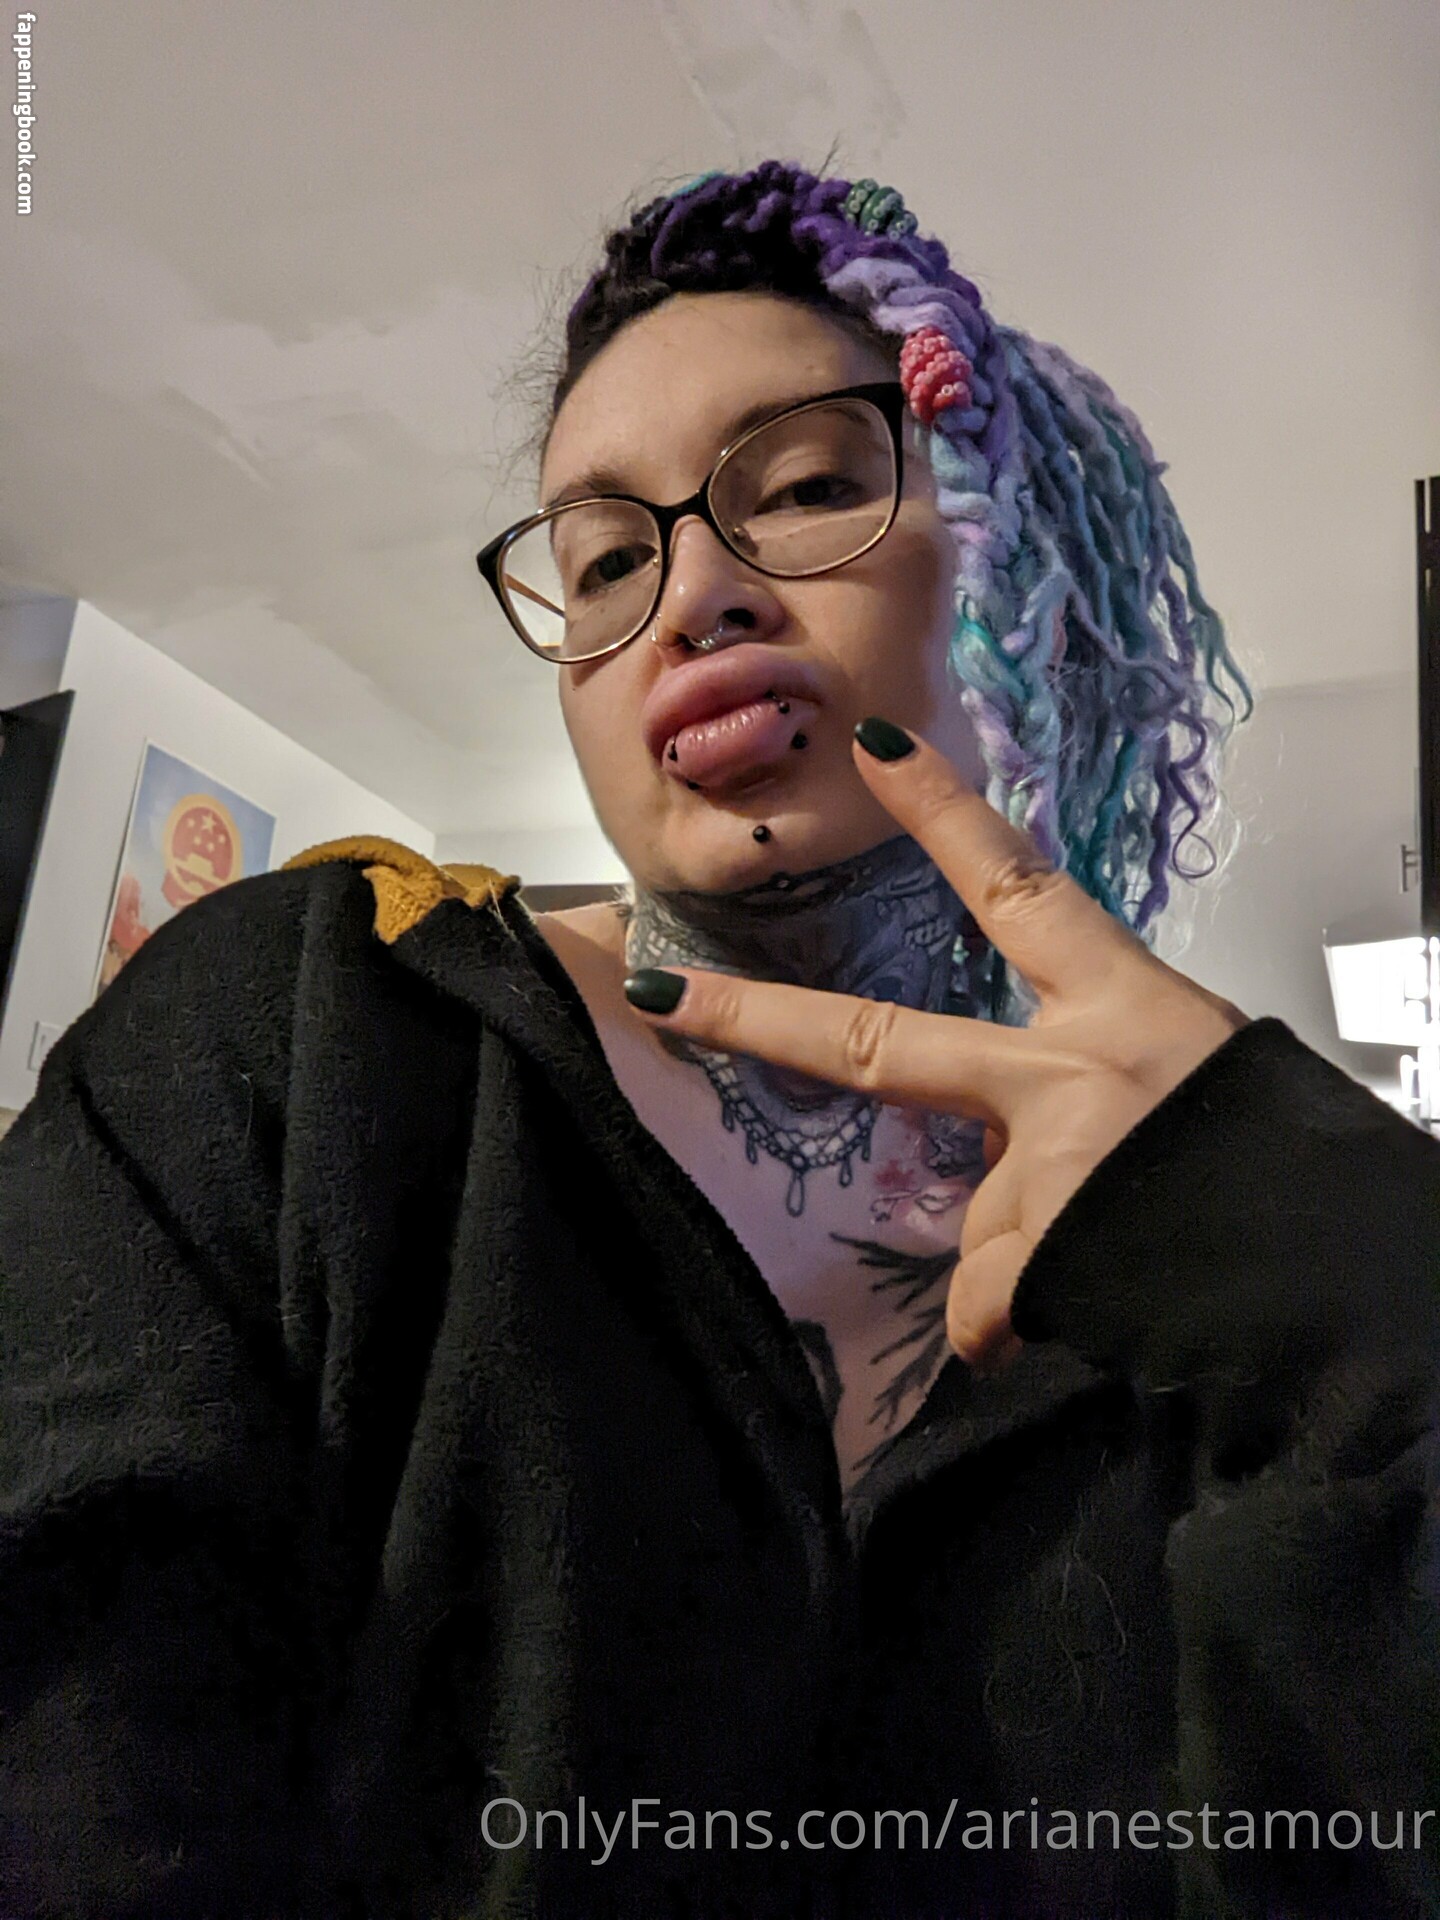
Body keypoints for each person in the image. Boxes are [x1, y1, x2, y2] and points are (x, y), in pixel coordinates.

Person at [0, 159, 1436, 1920]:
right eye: (606, 558)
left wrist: (1307, 1222)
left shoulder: (1219, 1250)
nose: (688, 596)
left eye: (812, 484)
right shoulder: (301, 1026)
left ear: (1020, 570)